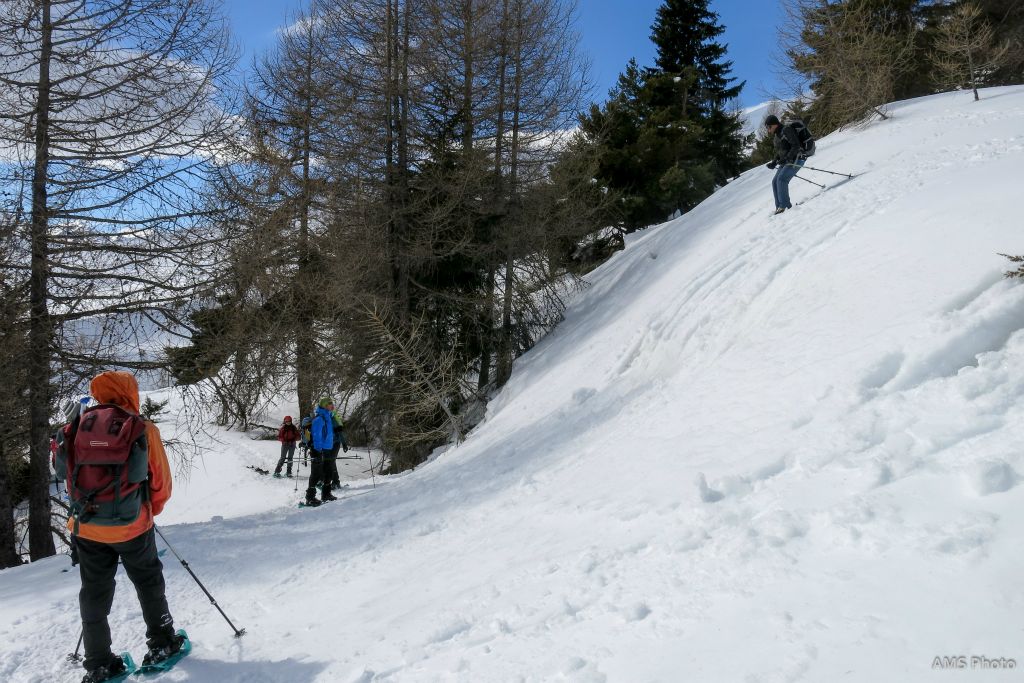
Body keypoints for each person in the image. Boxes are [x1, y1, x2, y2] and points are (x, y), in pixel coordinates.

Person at [56, 372, 184, 683]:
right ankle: (162, 644)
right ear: (130, 392)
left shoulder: (77, 425)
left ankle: (99, 663)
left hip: (85, 526)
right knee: (147, 580)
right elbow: (161, 482)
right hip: (131, 526)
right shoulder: (141, 427)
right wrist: (150, 509)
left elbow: (65, 472)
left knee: (94, 590)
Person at [764, 114, 806, 215]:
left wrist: (787, 158)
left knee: (781, 179)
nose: (768, 130)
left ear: (774, 125)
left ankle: (785, 207)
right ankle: (779, 207)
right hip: (787, 161)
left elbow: (796, 145)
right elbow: (781, 151)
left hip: (797, 158)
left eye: (768, 127)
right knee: (775, 181)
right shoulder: (777, 136)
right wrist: (774, 162)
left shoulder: (786, 130)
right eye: (767, 128)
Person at [305, 397, 337, 506]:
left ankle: (326, 494)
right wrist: (317, 450)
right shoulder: (320, 419)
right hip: (318, 449)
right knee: (316, 473)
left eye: (332, 403)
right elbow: (316, 435)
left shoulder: (328, 417)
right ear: (324, 405)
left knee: (329, 472)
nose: (332, 405)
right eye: (329, 404)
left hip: (327, 448)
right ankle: (310, 498)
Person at [325, 409, 349, 490]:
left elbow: (340, 433)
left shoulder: (334, 421)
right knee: (328, 462)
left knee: (331, 461)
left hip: (335, 443)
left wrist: (344, 444)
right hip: (327, 444)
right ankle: (331, 482)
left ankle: (336, 482)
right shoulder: (322, 420)